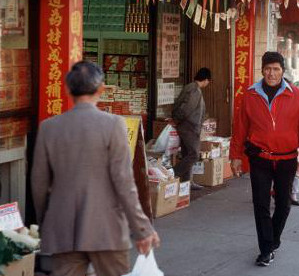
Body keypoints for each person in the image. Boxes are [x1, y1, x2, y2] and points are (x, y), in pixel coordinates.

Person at [32, 61, 160, 276]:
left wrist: (45, 222)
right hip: (106, 229)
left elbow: (39, 184)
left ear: (67, 89)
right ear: (101, 89)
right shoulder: (113, 125)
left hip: (63, 229)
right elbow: (124, 183)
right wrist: (142, 229)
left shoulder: (49, 128)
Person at [230, 52, 299, 267]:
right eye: (268, 68)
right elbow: (240, 129)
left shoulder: (296, 95)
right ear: (262, 70)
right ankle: (266, 249)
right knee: (260, 204)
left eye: (276, 69)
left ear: (283, 71)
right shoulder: (250, 95)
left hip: (287, 159)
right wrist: (236, 156)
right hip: (260, 158)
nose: (272, 73)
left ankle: (274, 238)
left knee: (284, 204)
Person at [171, 68, 211, 188]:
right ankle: (173, 173)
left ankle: (187, 182)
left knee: (186, 153)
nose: (208, 83)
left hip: (185, 126)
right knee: (194, 154)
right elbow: (186, 109)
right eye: (208, 80)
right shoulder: (194, 90)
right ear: (205, 79)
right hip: (189, 127)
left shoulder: (190, 87)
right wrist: (177, 120)